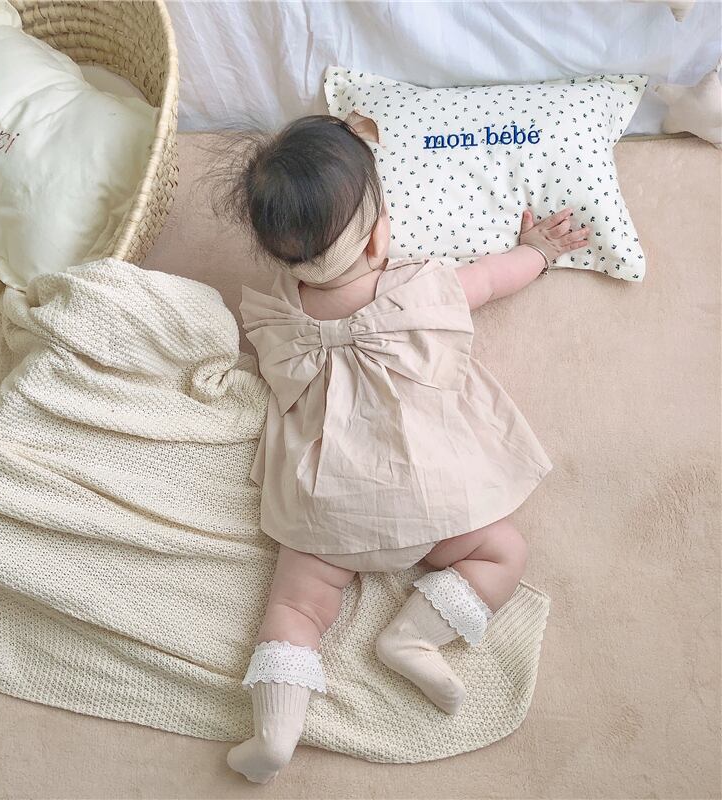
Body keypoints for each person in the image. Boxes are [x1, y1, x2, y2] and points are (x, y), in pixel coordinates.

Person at [214, 114, 591, 784]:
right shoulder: (421, 289)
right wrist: (536, 250)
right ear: (380, 235)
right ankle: (413, 637)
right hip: (430, 500)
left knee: (295, 608)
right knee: (502, 551)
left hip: (324, 512)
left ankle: (274, 733)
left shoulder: (275, 315)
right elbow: (492, 279)